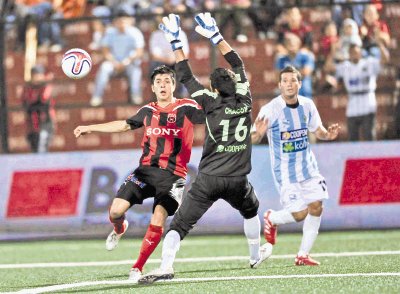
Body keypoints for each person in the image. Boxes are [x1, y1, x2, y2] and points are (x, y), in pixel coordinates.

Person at [139, 12, 272, 284]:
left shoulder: (209, 102)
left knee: (178, 226)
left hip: (208, 179)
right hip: (238, 180)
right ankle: (253, 256)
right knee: (250, 211)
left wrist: (176, 41)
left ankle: (166, 265)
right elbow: (238, 62)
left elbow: (184, 75)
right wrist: (217, 37)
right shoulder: (245, 100)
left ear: (212, 88)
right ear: (234, 85)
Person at [74, 65, 204, 282]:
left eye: (167, 81)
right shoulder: (148, 111)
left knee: (158, 218)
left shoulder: (187, 107)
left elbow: (211, 113)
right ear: (153, 87)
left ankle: (137, 267)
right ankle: (120, 227)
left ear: (174, 85)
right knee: (116, 211)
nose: (163, 85)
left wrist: (222, 96)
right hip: (145, 173)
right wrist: (91, 127)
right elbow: (124, 125)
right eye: (159, 82)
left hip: (173, 176)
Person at [251, 65, 340, 266]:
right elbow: (253, 138)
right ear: (279, 85)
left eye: (293, 81)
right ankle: (272, 218)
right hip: (285, 172)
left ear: (300, 83)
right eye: (285, 81)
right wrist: (257, 133)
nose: (289, 84)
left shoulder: (307, 105)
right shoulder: (270, 109)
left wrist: (328, 135)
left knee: (317, 206)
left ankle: (302, 255)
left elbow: (318, 130)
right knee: (300, 214)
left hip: (309, 168)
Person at [327, 40, 389, 141]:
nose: (354, 54)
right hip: (353, 102)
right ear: (349, 54)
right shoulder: (346, 66)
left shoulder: (369, 62)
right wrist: (333, 51)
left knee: (369, 135)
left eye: (356, 52)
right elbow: (328, 67)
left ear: (360, 52)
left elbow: (385, 60)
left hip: (367, 100)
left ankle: (370, 156)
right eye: (352, 52)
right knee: (352, 136)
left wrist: (380, 45)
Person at [90, 11, 145, 107]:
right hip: (113, 63)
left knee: (136, 71)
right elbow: (105, 51)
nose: (121, 23)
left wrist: (126, 62)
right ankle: (97, 97)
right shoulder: (110, 32)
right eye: (119, 21)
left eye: (124, 21)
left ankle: (136, 96)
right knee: (104, 68)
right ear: (115, 22)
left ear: (129, 21)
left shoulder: (135, 32)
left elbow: (139, 52)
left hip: (129, 63)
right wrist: (114, 62)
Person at [21, 64, 55, 153]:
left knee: (42, 148)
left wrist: (46, 82)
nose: (36, 77)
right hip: (31, 125)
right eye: (34, 75)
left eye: (38, 74)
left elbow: (43, 98)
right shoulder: (28, 88)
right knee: (34, 149)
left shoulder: (46, 86)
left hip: (45, 123)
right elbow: (26, 102)